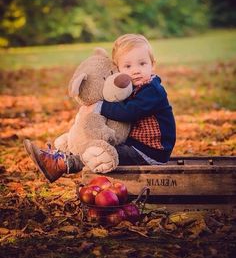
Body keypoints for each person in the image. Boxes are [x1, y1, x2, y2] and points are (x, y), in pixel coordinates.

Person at [24, 34, 176, 183]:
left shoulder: (153, 90)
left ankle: (62, 164)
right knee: (97, 140)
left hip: (150, 151)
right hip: (135, 145)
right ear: (118, 69)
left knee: (100, 153)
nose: (136, 70)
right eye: (128, 66)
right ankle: (59, 154)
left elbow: (130, 112)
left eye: (142, 64)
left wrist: (100, 106)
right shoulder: (131, 88)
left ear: (153, 65)